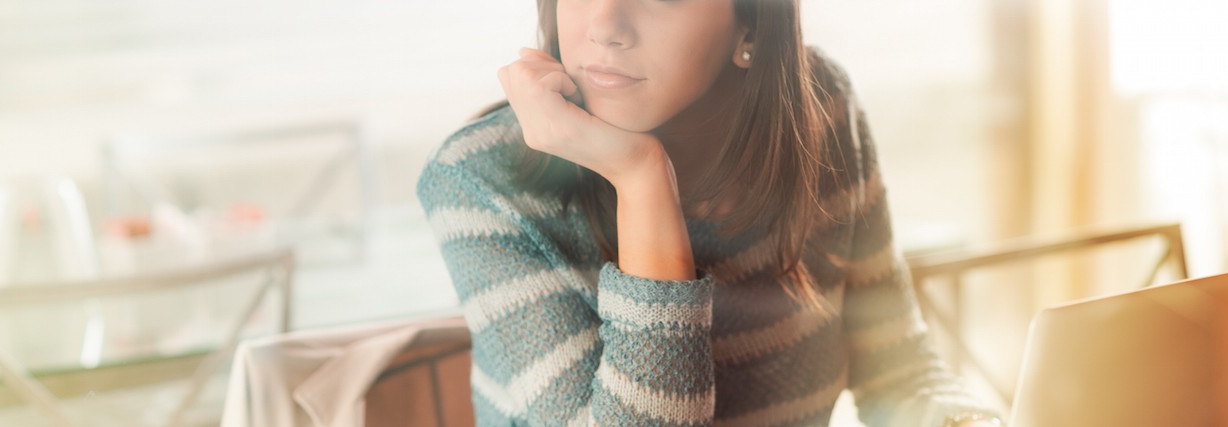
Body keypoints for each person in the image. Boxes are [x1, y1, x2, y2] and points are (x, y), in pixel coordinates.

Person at [416, 0, 1003, 425]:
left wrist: (967, 421)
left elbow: (897, 369)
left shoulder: (818, 108)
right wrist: (642, 179)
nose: (603, 26)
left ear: (749, 22)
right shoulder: (479, 180)